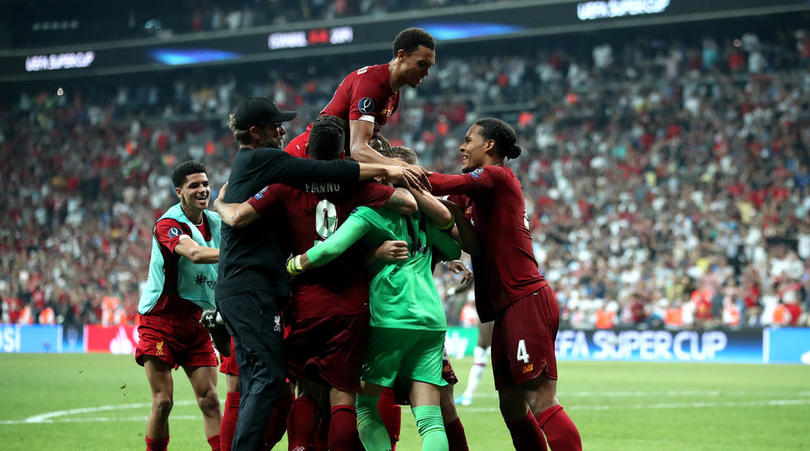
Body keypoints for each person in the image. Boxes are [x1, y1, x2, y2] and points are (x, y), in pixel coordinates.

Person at [215, 97, 420, 451]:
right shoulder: (294, 171)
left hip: (298, 300)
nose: (282, 130)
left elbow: (240, 216)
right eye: (275, 125)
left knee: (288, 385)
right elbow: (406, 204)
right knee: (336, 390)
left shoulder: (281, 185)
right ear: (255, 132)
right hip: (343, 301)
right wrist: (389, 169)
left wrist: (220, 204)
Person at [287, 145, 461, 451]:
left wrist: (292, 265)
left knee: (365, 407)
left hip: (389, 317)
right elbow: (453, 248)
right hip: (431, 321)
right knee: (430, 419)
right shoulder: (423, 218)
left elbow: (330, 249)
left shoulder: (371, 211)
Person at [428, 118, 583, 450]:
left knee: (541, 398)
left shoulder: (496, 176)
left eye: (468, 140)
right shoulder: (482, 192)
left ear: (489, 146)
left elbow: (437, 182)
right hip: (506, 306)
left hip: (525, 299)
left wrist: (392, 171)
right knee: (511, 406)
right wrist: (452, 212)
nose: (461, 146)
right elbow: (472, 243)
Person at [135, 161, 222, 451]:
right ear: (179, 192)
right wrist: (235, 257)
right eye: (194, 185)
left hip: (197, 320)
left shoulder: (216, 222)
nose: (202, 190)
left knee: (209, 398)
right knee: (163, 402)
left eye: (205, 184)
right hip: (161, 320)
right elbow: (194, 253)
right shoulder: (167, 224)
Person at [295, 27, 434, 170]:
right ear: (402, 56)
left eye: (429, 66)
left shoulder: (394, 95)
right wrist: (404, 167)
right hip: (307, 155)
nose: (427, 73)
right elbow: (358, 150)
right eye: (421, 64)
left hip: (333, 161)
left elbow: (360, 146)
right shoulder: (371, 84)